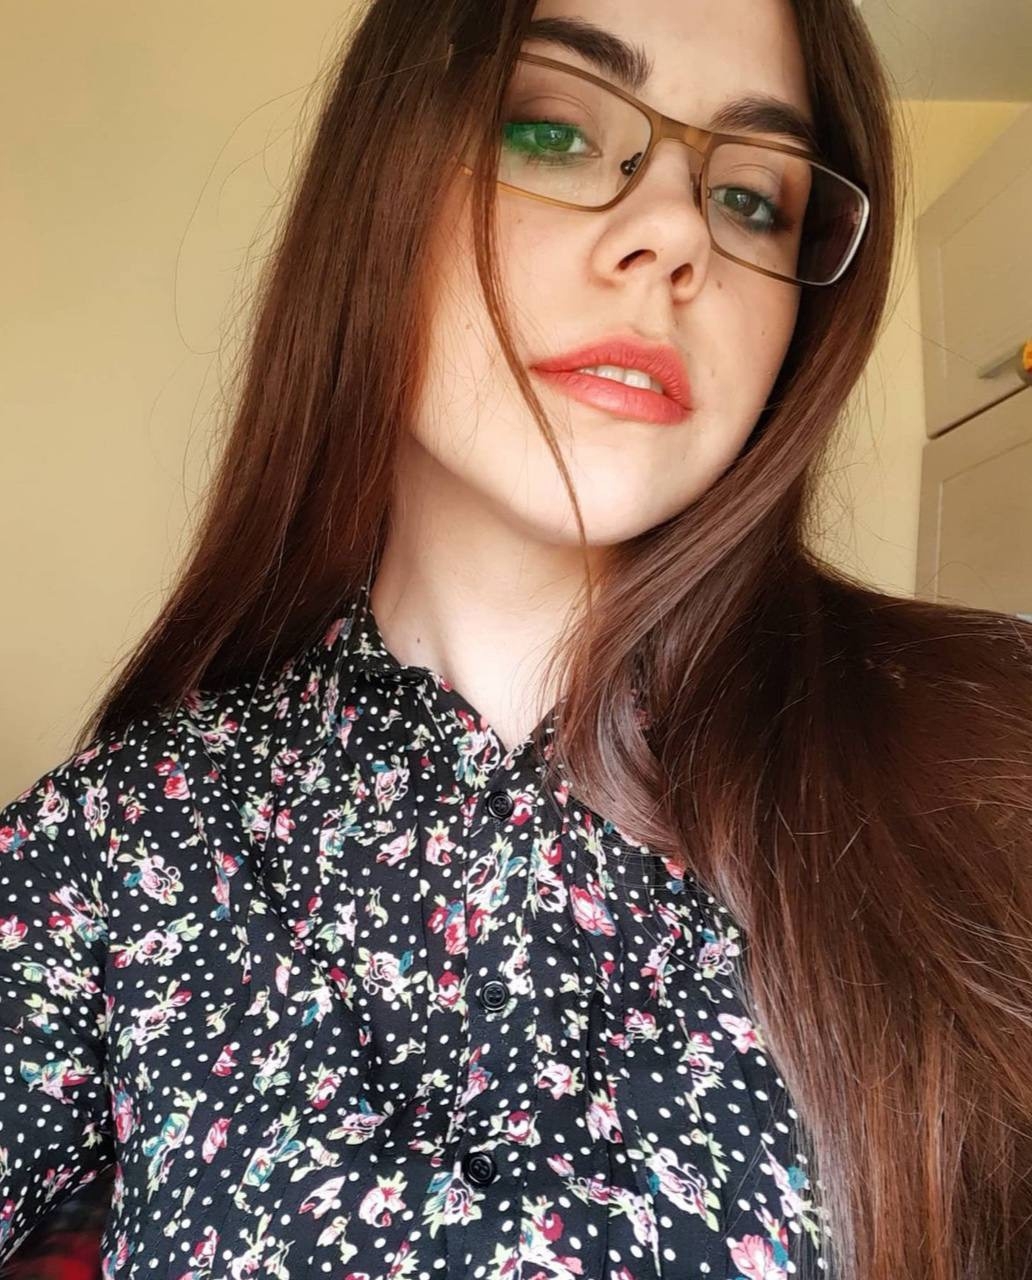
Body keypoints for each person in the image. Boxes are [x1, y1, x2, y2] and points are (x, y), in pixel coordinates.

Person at [2, 0, 1031, 1277]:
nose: (676, 233)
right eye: (553, 130)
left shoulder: (992, 753)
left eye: (752, 199)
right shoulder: (124, 835)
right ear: (382, 176)